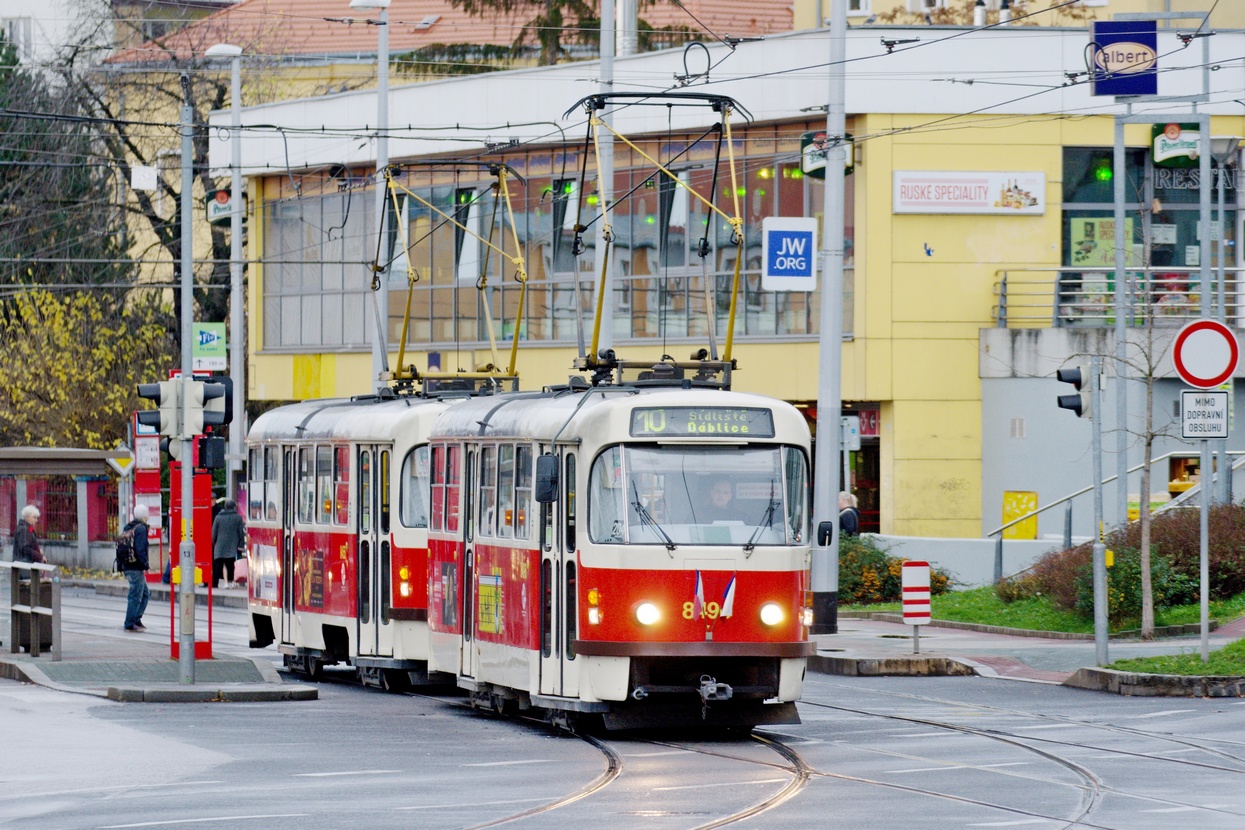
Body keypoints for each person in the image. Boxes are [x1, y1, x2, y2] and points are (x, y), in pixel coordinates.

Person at [121, 505, 151, 632]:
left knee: (145, 593)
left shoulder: (128, 527)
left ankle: (136, 618)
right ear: (145, 516)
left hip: (127, 566)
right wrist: (145, 565)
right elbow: (140, 549)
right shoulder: (141, 529)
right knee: (135, 595)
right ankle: (130, 622)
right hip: (135, 567)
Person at [211, 499, 246, 589]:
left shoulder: (218, 517)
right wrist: (241, 545)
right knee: (231, 564)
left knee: (221, 564)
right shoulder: (238, 518)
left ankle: (224, 582)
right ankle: (231, 582)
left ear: (225, 507)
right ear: (234, 507)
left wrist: (214, 543)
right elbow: (240, 532)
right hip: (233, 546)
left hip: (220, 545)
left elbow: (214, 532)